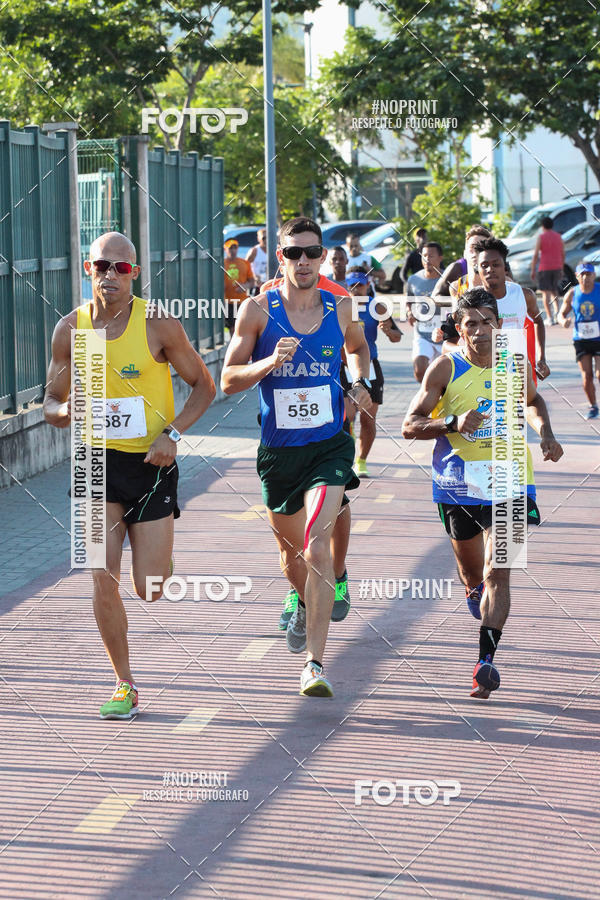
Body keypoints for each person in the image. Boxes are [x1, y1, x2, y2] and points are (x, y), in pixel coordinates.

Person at [43, 232, 216, 719]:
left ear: (134, 273)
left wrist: (174, 435)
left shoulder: (158, 324)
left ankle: (158, 563)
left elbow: (204, 385)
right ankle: (124, 683)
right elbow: (50, 404)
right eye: (101, 266)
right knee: (100, 575)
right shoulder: (71, 330)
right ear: (87, 268)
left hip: (151, 463)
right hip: (94, 464)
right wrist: (66, 409)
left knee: (151, 587)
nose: (110, 275)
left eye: (120, 268)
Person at [221, 216, 373, 698]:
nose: (303, 262)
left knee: (317, 543)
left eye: (311, 253)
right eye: (292, 253)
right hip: (279, 452)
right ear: (279, 257)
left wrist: (361, 382)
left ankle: (314, 663)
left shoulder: (341, 307)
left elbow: (359, 348)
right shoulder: (257, 311)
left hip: (328, 446)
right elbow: (227, 380)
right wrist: (270, 362)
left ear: (323, 256)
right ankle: (302, 598)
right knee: (293, 559)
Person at [402, 288, 563, 698]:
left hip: (511, 478)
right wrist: (453, 422)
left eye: (487, 321)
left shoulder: (515, 362)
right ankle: (475, 593)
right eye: (471, 323)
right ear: (461, 328)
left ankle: (484, 663)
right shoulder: (444, 368)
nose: (480, 330)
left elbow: (533, 400)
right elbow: (410, 425)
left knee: (499, 572)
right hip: (459, 485)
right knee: (475, 575)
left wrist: (545, 433)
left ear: (499, 323)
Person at [344, 268, 402, 477]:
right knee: (346, 417)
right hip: (344, 367)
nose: (356, 289)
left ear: (368, 286)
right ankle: (345, 458)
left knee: (368, 418)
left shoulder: (377, 307)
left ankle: (361, 461)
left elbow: (397, 337)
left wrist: (388, 330)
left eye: (360, 285)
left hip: (370, 366)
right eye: (352, 285)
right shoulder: (341, 306)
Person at [475, 236, 550, 381]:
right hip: (483, 372)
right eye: (484, 265)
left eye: (496, 264)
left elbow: (538, 321)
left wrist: (541, 358)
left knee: (530, 403)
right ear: (477, 269)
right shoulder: (472, 301)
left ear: (505, 267)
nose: (490, 269)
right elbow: (453, 338)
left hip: (517, 371)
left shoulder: (524, 295)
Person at [557, 261, 600, 418]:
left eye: (588, 274)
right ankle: (593, 406)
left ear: (594, 275)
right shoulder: (573, 293)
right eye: (582, 274)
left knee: (599, 373)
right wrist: (563, 321)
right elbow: (561, 314)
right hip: (581, 339)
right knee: (586, 375)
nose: (585, 277)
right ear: (576, 276)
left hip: (599, 337)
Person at [406, 241, 445, 382]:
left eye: (431, 256)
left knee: (445, 376)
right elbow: (409, 300)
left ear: (440, 257)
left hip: (444, 335)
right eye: (424, 256)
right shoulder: (414, 279)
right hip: (422, 334)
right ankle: (428, 393)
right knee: (419, 370)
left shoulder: (449, 279)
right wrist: (409, 312)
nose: (427, 259)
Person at [530, 217, 565, 325]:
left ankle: (549, 317)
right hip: (557, 266)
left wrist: (532, 269)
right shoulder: (559, 237)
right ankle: (557, 312)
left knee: (546, 293)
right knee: (555, 291)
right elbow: (563, 253)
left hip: (544, 267)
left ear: (542, 226)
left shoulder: (541, 237)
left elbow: (536, 254)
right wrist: (562, 268)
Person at [224, 238, 255, 333]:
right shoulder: (222, 264)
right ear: (225, 249)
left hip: (241, 301)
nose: (233, 251)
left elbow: (252, 281)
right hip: (227, 302)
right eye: (230, 248)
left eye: (235, 248)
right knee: (232, 328)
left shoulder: (244, 263)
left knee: (240, 327)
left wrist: (245, 286)